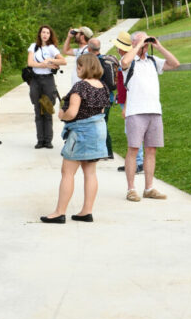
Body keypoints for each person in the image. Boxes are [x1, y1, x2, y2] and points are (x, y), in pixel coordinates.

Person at [40, 53, 109, 224]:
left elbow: (72, 113)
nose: (77, 70)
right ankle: (87, 211)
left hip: (81, 133)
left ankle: (59, 212)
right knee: (90, 172)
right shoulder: (103, 86)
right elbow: (101, 111)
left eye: (79, 67)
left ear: (87, 67)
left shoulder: (80, 87)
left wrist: (62, 115)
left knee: (67, 173)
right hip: (98, 131)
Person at [120, 31, 180, 201]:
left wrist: (158, 46)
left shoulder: (153, 61)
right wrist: (138, 45)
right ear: (132, 44)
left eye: (146, 43)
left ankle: (149, 188)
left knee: (151, 150)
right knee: (133, 149)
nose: (145, 46)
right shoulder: (128, 61)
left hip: (154, 111)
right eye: (142, 43)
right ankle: (131, 189)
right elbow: (124, 62)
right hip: (136, 112)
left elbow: (175, 63)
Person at [27, 25, 66, 149]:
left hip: (48, 80)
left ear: (50, 35)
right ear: (40, 34)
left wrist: (51, 61)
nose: (45, 35)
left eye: (47, 33)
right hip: (36, 80)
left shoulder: (52, 48)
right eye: (43, 32)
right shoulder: (33, 46)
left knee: (47, 110)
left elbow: (63, 61)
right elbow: (30, 63)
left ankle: (48, 140)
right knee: (38, 111)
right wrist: (42, 65)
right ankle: (40, 140)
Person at [112, 31, 144, 174]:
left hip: (129, 101)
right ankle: (134, 161)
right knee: (130, 132)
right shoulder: (124, 59)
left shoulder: (128, 61)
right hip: (124, 100)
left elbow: (128, 86)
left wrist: (126, 107)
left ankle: (138, 162)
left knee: (132, 131)